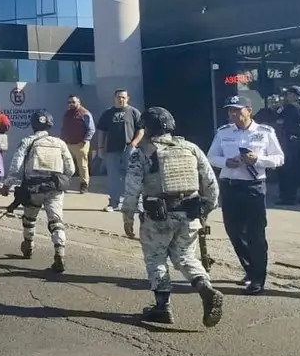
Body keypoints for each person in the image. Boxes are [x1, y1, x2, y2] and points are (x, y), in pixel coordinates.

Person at [121, 107, 223, 326]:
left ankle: (162, 307)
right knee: (186, 257)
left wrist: (127, 216)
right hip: (189, 212)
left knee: (156, 257)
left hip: (158, 216)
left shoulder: (142, 153)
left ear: (147, 128)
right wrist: (206, 209)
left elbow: (132, 189)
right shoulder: (190, 148)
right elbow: (211, 184)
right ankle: (205, 288)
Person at [207, 95, 285, 295]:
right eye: (231, 110)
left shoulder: (264, 132)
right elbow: (212, 156)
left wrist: (257, 159)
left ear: (249, 110)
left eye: (237, 110)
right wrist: (226, 162)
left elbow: (279, 158)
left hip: (253, 187)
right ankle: (250, 269)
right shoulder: (224, 132)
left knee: (255, 234)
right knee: (234, 231)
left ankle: (258, 278)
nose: (233, 114)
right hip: (230, 185)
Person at [0, 111, 74, 273]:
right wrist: (59, 180)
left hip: (33, 189)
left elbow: (17, 165)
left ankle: (28, 246)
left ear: (33, 125)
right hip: (54, 188)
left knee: (29, 219)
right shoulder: (60, 143)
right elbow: (71, 169)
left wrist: (7, 185)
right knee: (56, 220)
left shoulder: (27, 141)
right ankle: (59, 251)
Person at [96, 89, 145, 213]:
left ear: (128, 98)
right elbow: (101, 131)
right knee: (114, 177)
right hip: (112, 150)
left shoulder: (134, 112)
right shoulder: (107, 113)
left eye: (123, 97)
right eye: (118, 97)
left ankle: (135, 205)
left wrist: (134, 143)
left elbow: (141, 130)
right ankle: (114, 203)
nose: (121, 99)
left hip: (130, 150)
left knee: (133, 177)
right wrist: (100, 147)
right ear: (114, 98)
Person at [275, 86, 300, 205]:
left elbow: (280, 121)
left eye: (288, 94)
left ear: (293, 95)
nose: (287, 97)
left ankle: (289, 197)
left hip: (290, 141)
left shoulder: (291, 107)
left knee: (288, 170)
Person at [60, 95, 96, 193]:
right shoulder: (67, 114)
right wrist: (62, 141)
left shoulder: (85, 113)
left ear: (78, 102)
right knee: (66, 165)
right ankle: (64, 185)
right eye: (69, 102)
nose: (71, 104)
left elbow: (91, 129)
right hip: (68, 144)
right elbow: (64, 128)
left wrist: (84, 141)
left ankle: (84, 185)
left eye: (73, 102)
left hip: (81, 144)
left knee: (82, 166)